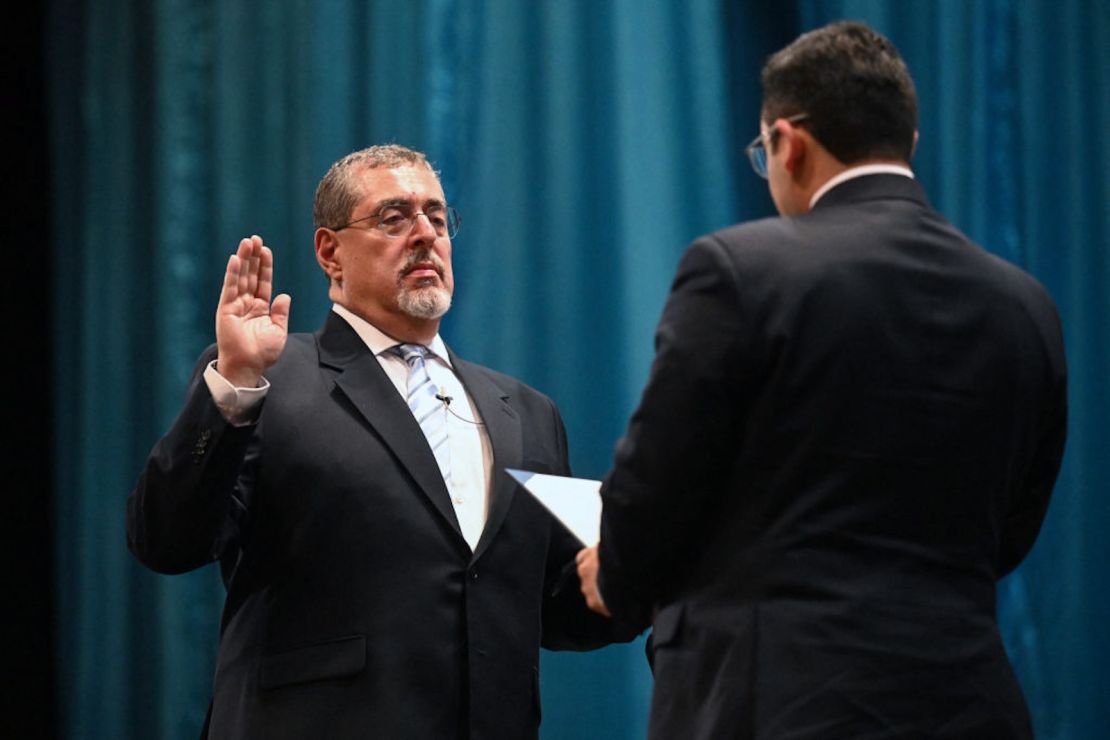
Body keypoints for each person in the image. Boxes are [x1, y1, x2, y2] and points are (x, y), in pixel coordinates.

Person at [576, 20, 1067, 739]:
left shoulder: (742, 271)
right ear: (910, 143)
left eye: (762, 152)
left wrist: (616, 575)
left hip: (778, 704)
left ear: (788, 142)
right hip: (967, 703)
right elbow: (1013, 529)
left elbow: (658, 480)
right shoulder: (1026, 305)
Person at [127, 144, 633, 739]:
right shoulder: (270, 379)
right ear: (330, 252)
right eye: (394, 218)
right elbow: (166, 540)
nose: (424, 235)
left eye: (437, 219)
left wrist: (639, 567)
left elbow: (555, 608)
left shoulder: (524, 411)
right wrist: (235, 384)